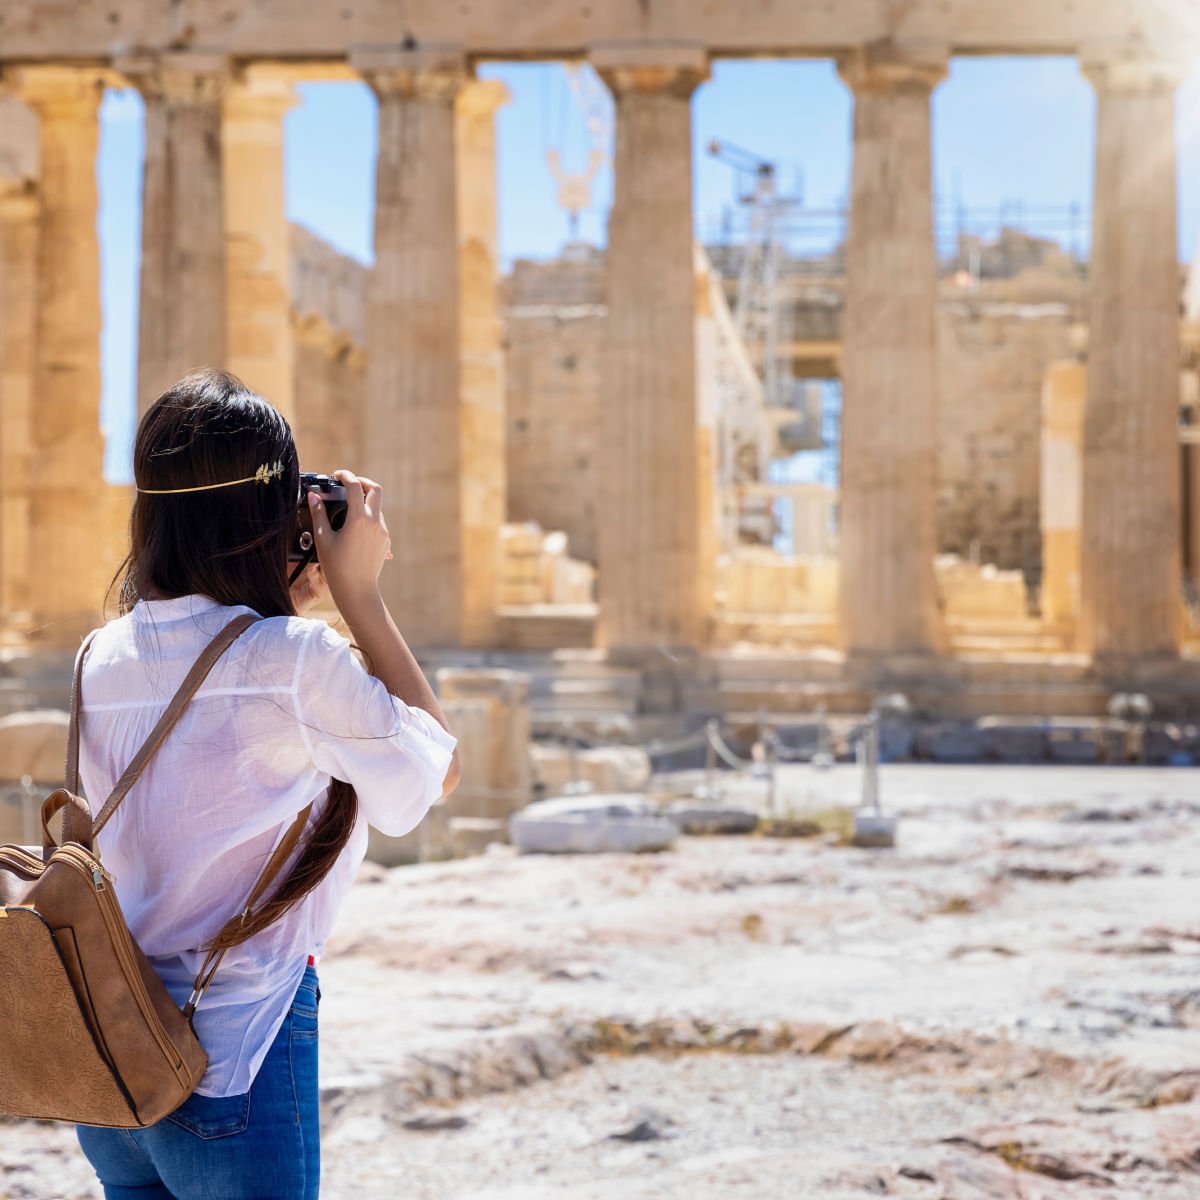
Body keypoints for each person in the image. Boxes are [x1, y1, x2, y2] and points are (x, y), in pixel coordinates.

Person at [73, 369, 460, 1199]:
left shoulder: (97, 656)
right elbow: (436, 771)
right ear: (277, 512)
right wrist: (357, 596)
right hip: (234, 1055)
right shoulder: (294, 661)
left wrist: (278, 607)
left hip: (112, 1059)